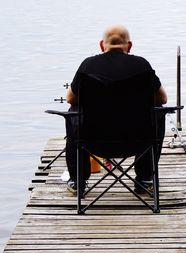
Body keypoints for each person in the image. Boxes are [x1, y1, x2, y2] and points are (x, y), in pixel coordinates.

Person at [65, 25, 168, 195]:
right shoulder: (142, 65)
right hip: (137, 142)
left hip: (93, 142)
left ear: (101, 45)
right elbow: (163, 99)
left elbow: (70, 98)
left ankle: (78, 180)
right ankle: (145, 178)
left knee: (72, 111)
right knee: (159, 111)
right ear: (129, 45)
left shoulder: (88, 65)